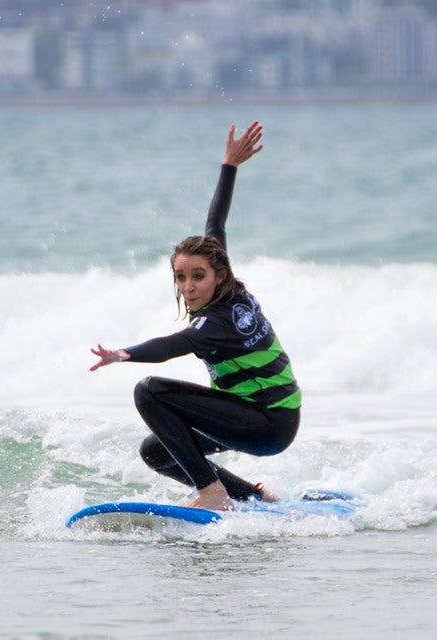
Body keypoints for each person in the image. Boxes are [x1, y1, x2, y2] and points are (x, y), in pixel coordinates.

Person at [90, 121, 301, 511]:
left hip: (265, 422)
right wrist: (229, 165)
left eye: (198, 277)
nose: (189, 286)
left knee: (149, 390)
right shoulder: (230, 285)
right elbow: (215, 223)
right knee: (158, 451)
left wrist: (125, 354)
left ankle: (213, 494)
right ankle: (253, 497)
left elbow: (173, 345)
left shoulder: (215, 322)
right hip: (274, 417)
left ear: (218, 274)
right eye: (181, 276)